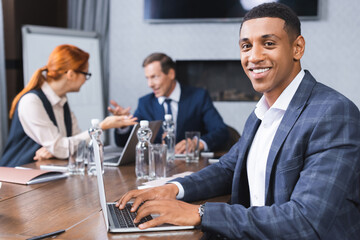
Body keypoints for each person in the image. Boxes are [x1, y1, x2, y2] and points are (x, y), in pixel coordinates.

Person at [116, 3, 360, 239]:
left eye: (269, 43)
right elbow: (228, 168)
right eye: (246, 46)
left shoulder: (333, 113)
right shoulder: (260, 113)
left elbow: (305, 221)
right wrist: (173, 189)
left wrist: (198, 213)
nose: (254, 57)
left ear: (298, 48)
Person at [0, 44, 137, 167]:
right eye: (86, 74)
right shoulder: (31, 101)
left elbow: (75, 145)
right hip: (16, 177)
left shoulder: (62, 101)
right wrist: (100, 127)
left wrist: (56, 150)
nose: (85, 80)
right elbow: (60, 146)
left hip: (42, 173)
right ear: (71, 74)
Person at [109, 53, 229, 153]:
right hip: (157, 168)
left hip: (191, 166)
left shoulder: (198, 97)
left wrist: (198, 143)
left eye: (154, 77)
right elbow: (124, 144)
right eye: (147, 78)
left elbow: (221, 131)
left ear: (171, 74)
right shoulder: (145, 103)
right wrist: (123, 126)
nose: (149, 84)